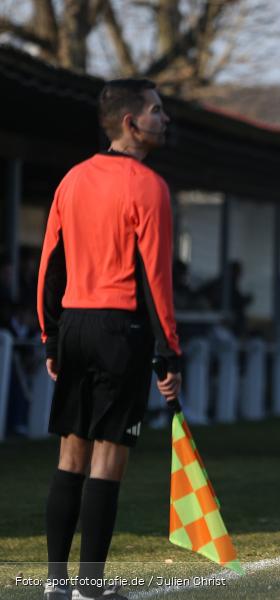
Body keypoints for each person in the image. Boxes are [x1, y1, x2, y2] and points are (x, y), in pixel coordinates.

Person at [37, 79, 182, 600]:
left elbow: (49, 263)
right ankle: (90, 587)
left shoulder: (72, 179)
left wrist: (51, 337)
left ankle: (56, 584)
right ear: (130, 123)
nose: (164, 119)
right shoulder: (149, 186)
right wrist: (169, 353)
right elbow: (155, 278)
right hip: (121, 329)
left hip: (74, 325)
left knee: (70, 454)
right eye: (156, 110)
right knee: (108, 458)